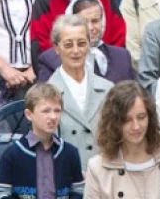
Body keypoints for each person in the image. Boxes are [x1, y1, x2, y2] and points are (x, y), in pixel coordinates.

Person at [85, 81, 160, 199]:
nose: (136, 126)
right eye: (127, 120)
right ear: (114, 122)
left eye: (141, 117)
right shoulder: (97, 168)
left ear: (150, 117)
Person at [0, 83, 84, 193]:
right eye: (46, 111)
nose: (53, 117)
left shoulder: (70, 153)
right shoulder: (12, 154)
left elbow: (79, 191)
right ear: (29, 114)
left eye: (57, 110)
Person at [44, 14, 111, 162]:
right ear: (56, 48)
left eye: (81, 43)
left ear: (89, 45)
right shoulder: (46, 95)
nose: (76, 51)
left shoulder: (107, 89)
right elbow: (45, 150)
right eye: (68, 45)